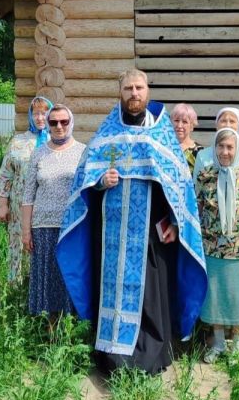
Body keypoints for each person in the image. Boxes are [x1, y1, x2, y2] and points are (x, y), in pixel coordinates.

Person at [56, 69, 207, 375]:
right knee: (109, 292)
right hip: (112, 234)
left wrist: (175, 223)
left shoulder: (160, 131)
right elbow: (85, 182)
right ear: (120, 92)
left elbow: (178, 184)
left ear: (147, 90)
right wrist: (100, 181)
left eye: (139, 88)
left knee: (152, 293)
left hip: (152, 233)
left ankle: (152, 355)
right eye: (128, 88)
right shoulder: (107, 133)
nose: (134, 93)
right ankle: (111, 357)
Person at [193, 128, 239, 363]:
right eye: (221, 147)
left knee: (238, 297)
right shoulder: (205, 175)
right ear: (215, 148)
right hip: (212, 248)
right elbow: (198, 211)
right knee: (216, 297)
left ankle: (238, 345)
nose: (225, 152)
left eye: (230, 147)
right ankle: (219, 344)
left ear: (237, 149)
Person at [21, 104, 85, 318]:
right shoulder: (39, 154)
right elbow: (28, 195)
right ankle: (49, 327)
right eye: (54, 122)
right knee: (48, 278)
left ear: (71, 123)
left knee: (70, 275)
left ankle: (73, 326)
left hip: (72, 226)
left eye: (64, 121)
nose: (59, 126)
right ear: (47, 124)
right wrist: (26, 232)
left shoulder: (83, 152)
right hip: (42, 227)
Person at [0, 95, 53, 284]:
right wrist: (2, 205)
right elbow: (6, 174)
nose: (40, 118)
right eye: (36, 113)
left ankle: (38, 289)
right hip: (18, 207)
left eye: (44, 113)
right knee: (17, 243)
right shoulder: (18, 141)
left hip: (47, 207)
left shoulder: (57, 142)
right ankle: (14, 288)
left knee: (43, 245)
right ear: (30, 116)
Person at [171, 103, 204, 174]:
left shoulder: (200, 152)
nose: (179, 125)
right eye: (176, 120)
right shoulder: (164, 147)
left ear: (192, 126)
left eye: (184, 122)